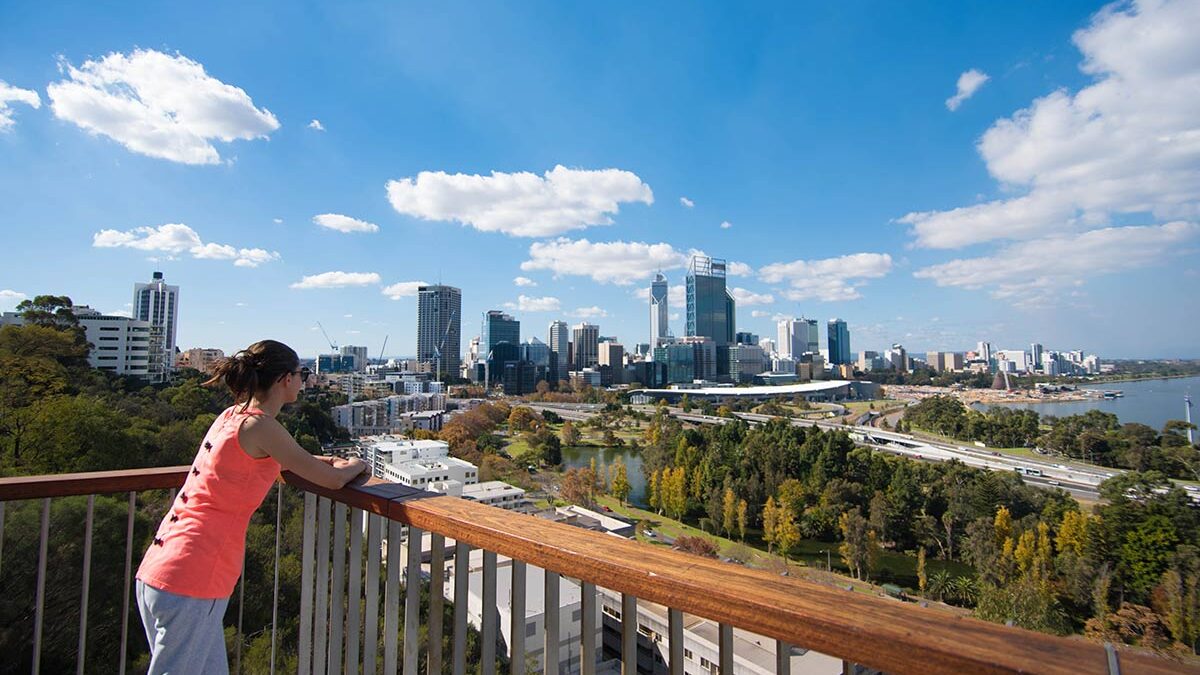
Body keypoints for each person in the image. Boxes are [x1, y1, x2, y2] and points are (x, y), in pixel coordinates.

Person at [135, 339, 367, 674]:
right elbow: (331, 480)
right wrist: (357, 465)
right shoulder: (261, 426)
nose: (304, 381)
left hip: (163, 564)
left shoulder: (233, 416)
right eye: (301, 374)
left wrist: (320, 460)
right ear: (284, 379)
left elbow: (279, 459)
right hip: (194, 571)